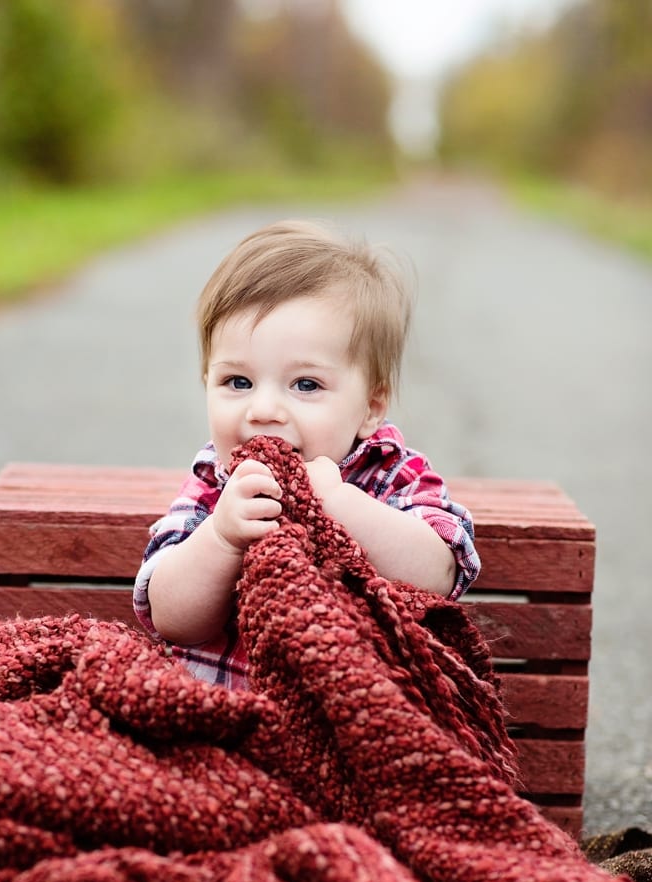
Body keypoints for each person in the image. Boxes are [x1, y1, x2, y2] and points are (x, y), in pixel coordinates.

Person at [133, 219, 480, 690]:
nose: (264, 410)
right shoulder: (217, 483)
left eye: (306, 385)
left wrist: (341, 504)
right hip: (227, 721)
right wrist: (221, 538)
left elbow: (439, 574)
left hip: (356, 712)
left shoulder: (388, 473)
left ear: (370, 408)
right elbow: (172, 619)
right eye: (238, 382)